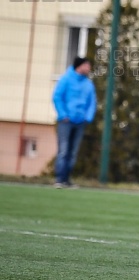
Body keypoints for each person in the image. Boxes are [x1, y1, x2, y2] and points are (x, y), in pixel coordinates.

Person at [52, 56, 97, 188]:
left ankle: (67, 179)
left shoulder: (88, 84)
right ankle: (59, 179)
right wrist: (63, 114)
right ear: (80, 66)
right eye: (87, 65)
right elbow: (57, 97)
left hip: (80, 122)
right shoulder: (66, 79)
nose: (89, 68)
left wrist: (87, 117)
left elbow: (92, 102)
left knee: (73, 152)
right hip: (66, 121)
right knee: (63, 150)